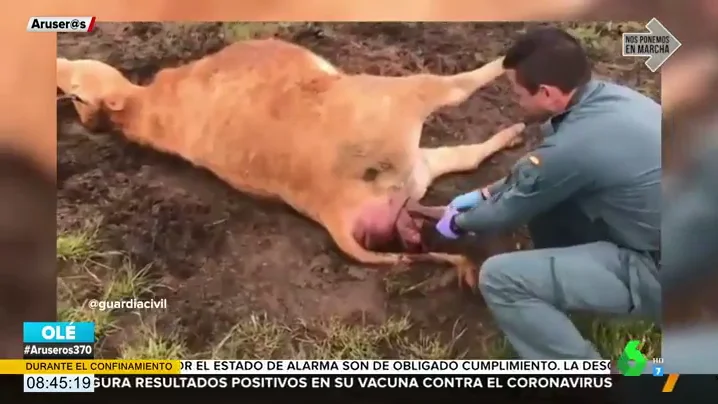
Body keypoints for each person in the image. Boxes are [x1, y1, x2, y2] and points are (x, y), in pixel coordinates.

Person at [435, 26, 661, 359]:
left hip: (664, 272)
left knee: (500, 278)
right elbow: (543, 177)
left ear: (546, 93)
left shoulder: (574, 146)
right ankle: (565, 292)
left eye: (517, 93)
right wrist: (486, 192)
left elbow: (506, 211)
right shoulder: (618, 101)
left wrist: (458, 221)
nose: (516, 99)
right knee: (551, 202)